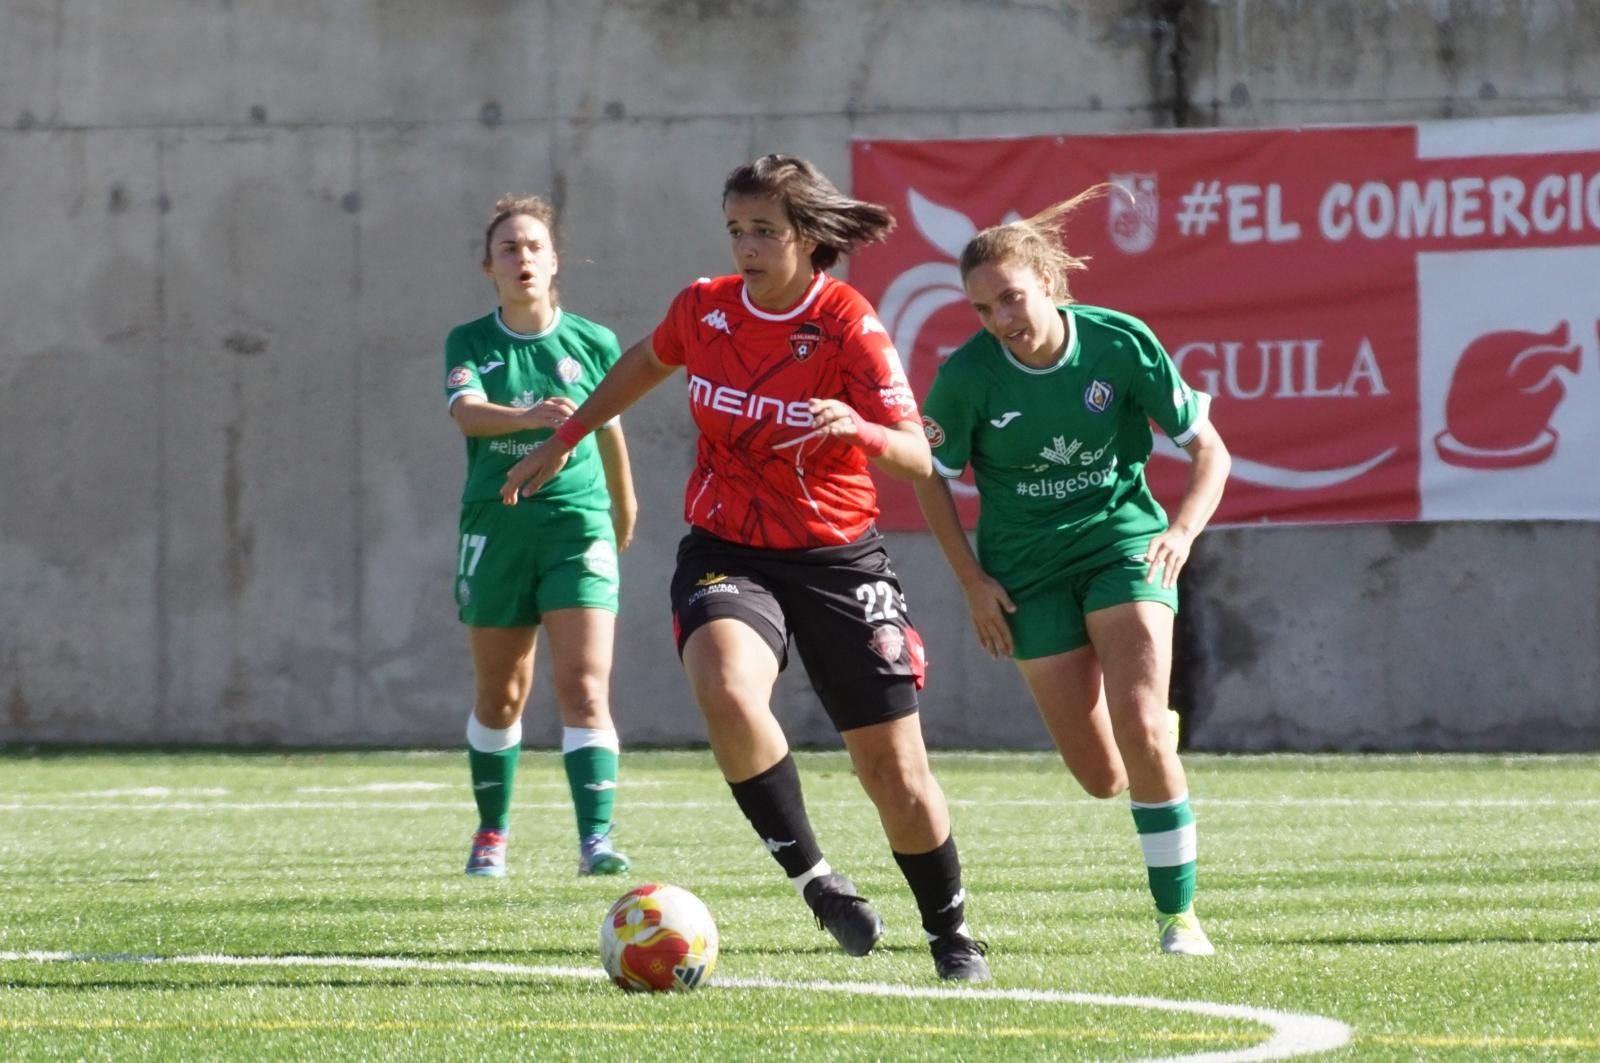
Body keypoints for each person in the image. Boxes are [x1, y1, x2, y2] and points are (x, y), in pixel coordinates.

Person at [500, 154, 990, 982]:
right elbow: (647, 362)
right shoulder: (705, 308)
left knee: (894, 772)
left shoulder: (847, 324)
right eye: (736, 229)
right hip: (727, 549)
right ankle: (819, 883)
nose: (747, 246)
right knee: (726, 688)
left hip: (838, 556)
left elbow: (915, 454)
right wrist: (565, 436)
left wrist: (857, 429)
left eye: (764, 230)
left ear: (805, 235)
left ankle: (952, 935)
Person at [911, 186, 1232, 956]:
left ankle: (1178, 919)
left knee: (1142, 725)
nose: (1001, 321)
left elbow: (1210, 449)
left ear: (1049, 285)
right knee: (1101, 775)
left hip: (1124, 545)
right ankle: (1147, 733)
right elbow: (929, 474)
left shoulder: (1121, 343)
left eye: (1011, 299)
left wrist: (1181, 531)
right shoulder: (969, 376)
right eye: (983, 309)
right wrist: (971, 582)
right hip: (1025, 574)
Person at [443, 195, 638, 878]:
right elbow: (467, 415)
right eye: (508, 248)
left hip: (575, 523)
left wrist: (624, 502)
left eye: (533, 246)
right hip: (496, 525)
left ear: (554, 262)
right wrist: (531, 415)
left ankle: (598, 841)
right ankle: (491, 833)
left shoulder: (594, 342)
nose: (522, 257)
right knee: (503, 693)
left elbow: (610, 425)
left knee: (584, 685)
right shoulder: (470, 342)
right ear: (488, 267)